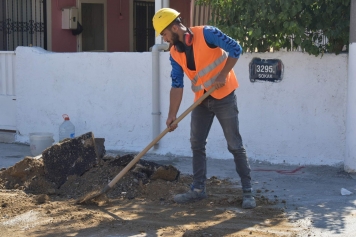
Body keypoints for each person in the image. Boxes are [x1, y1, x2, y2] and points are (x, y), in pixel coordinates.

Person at [152, 8, 256, 209]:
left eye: (165, 34)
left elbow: (236, 49)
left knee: (234, 144)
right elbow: (177, 84)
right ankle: (198, 190)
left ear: (174, 27)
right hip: (201, 100)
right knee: (197, 144)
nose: (165, 39)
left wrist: (223, 74)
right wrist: (172, 114)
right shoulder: (175, 53)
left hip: (224, 96)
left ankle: (248, 192)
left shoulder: (207, 33)